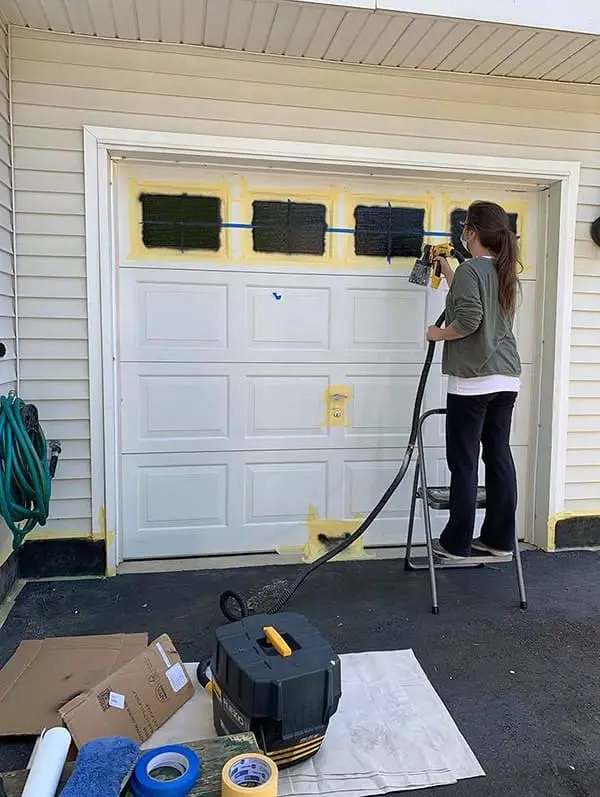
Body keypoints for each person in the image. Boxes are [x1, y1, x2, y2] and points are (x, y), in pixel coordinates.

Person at [425, 201, 522, 560]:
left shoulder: (472, 271)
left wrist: (437, 333)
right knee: (498, 455)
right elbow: (470, 297)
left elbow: (468, 320)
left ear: (471, 232)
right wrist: (447, 269)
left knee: (464, 462)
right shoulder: (503, 269)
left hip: (472, 382)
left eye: (465, 227)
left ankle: (456, 543)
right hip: (506, 379)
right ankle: (499, 540)